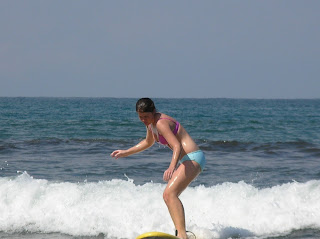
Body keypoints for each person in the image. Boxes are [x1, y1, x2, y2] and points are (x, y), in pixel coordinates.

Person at [110, 98, 206, 239]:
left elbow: (177, 146)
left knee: (169, 194)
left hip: (193, 158)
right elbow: (148, 142)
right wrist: (126, 152)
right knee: (169, 195)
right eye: (140, 117)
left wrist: (172, 167)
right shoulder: (151, 124)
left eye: (146, 116)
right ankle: (181, 232)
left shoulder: (161, 123)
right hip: (187, 159)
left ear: (154, 111)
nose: (143, 120)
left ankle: (182, 235)